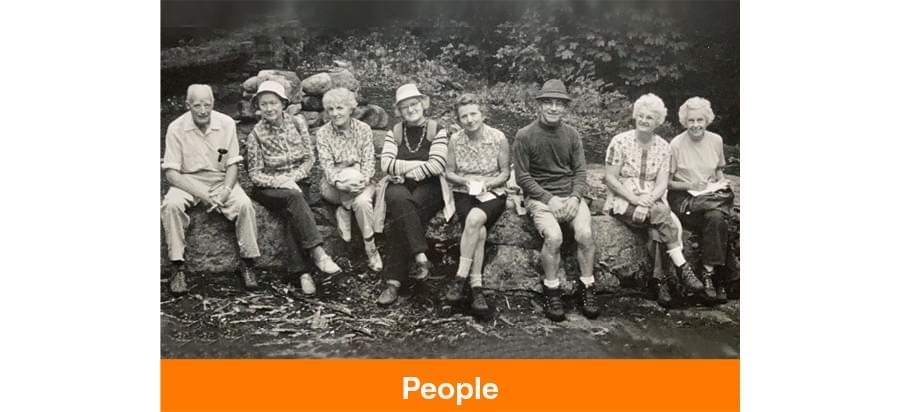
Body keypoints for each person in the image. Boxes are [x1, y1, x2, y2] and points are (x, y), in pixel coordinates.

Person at [602, 93, 712, 306]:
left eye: (649, 117)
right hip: (624, 199)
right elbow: (611, 179)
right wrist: (636, 200)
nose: (644, 121)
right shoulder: (620, 141)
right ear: (635, 116)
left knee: (656, 230)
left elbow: (662, 184)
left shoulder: (663, 147)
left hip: (653, 201)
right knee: (662, 215)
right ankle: (682, 267)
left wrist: (647, 202)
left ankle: (659, 282)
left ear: (658, 122)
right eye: (641, 116)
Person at [161, 84, 261, 295]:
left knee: (244, 205)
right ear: (187, 105)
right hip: (188, 181)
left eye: (207, 105)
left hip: (220, 180)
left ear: (213, 103)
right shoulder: (176, 128)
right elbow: (171, 174)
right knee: (171, 205)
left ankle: (248, 262)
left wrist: (225, 191)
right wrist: (203, 194)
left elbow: (232, 164)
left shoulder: (226, 123)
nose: (203, 110)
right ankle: (177, 265)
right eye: (197, 105)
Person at [512, 79, 599, 322]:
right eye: (548, 103)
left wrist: (575, 197)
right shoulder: (524, 135)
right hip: (541, 198)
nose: (553, 108)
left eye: (559, 104)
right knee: (554, 237)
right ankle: (552, 289)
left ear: (565, 108)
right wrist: (548, 199)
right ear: (539, 105)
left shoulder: (572, 134)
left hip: (570, 196)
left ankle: (587, 286)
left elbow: (580, 172)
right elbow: (522, 176)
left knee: (585, 235)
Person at [244, 80, 341, 295]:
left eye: (273, 103)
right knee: (295, 199)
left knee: (292, 214)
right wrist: (281, 181)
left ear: (283, 104)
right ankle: (318, 253)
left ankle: (303, 274)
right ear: (258, 107)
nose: (269, 108)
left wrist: (293, 178)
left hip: (297, 182)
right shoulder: (256, 134)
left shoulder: (298, 123)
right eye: (263, 104)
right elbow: (255, 175)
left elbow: (309, 158)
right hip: (268, 188)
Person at [374, 83, 453, 306]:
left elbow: (437, 165)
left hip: (430, 186)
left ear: (423, 104)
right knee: (399, 200)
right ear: (399, 110)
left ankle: (392, 283)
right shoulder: (395, 132)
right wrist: (419, 166)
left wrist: (408, 171)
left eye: (414, 104)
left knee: (404, 215)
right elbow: (386, 164)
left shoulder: (437, 130)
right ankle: (421, 256)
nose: (410, 109)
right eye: (405, 106)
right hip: (398, 184)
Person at [443, 94, 510, 316]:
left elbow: (505, 173)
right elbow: (449, 172)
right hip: (464, 192)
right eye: (464, 116)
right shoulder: (455, 140)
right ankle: (477, 287)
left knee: (474, 219)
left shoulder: (498, 137)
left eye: (474, 114)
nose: (470, 120)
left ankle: (460, 277)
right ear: (458, 119)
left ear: (482, 115)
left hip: (492, 192)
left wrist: (488, 183)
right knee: (478, 231)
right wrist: (465, 181)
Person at [667, 97, 734, 303]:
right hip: (685, 198)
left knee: (716, 217)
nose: (695, 125)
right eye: (691, 121)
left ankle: (708, 273)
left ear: (707, 120)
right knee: (719, 215)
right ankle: (721, 278)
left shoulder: (716, 140)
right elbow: (668, 183)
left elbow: (718, 172)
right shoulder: (676, 144)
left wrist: (720, 182)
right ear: (684, 122)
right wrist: (691, 185)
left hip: (709, 196)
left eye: (699, 120)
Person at [316, 87, 383, 272]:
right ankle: (346, 206)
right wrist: (341, 182)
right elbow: (327, 166)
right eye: (331, 109)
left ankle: (370, 249)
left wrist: (362, 180)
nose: (335, 113)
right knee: (352, 174)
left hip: (362, 183)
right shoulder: (323, 133)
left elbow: (369, 161)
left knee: (362, 202)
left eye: (340, 108)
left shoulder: (363, 129)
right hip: (333, 187)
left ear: (350, 108)